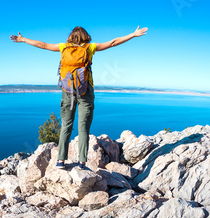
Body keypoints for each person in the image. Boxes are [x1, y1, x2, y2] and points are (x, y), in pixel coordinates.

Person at [10, 26, 148, 169]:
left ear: (71, 36)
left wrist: (23, 39)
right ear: (85, 36)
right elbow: (113, 42)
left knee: (66, 126)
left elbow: (43, 45)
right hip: (85, 91)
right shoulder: (90, 48)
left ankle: (60, 161)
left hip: (67, 91)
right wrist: (133, 34)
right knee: (83, 128)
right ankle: (82, 162)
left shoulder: (63, 47)